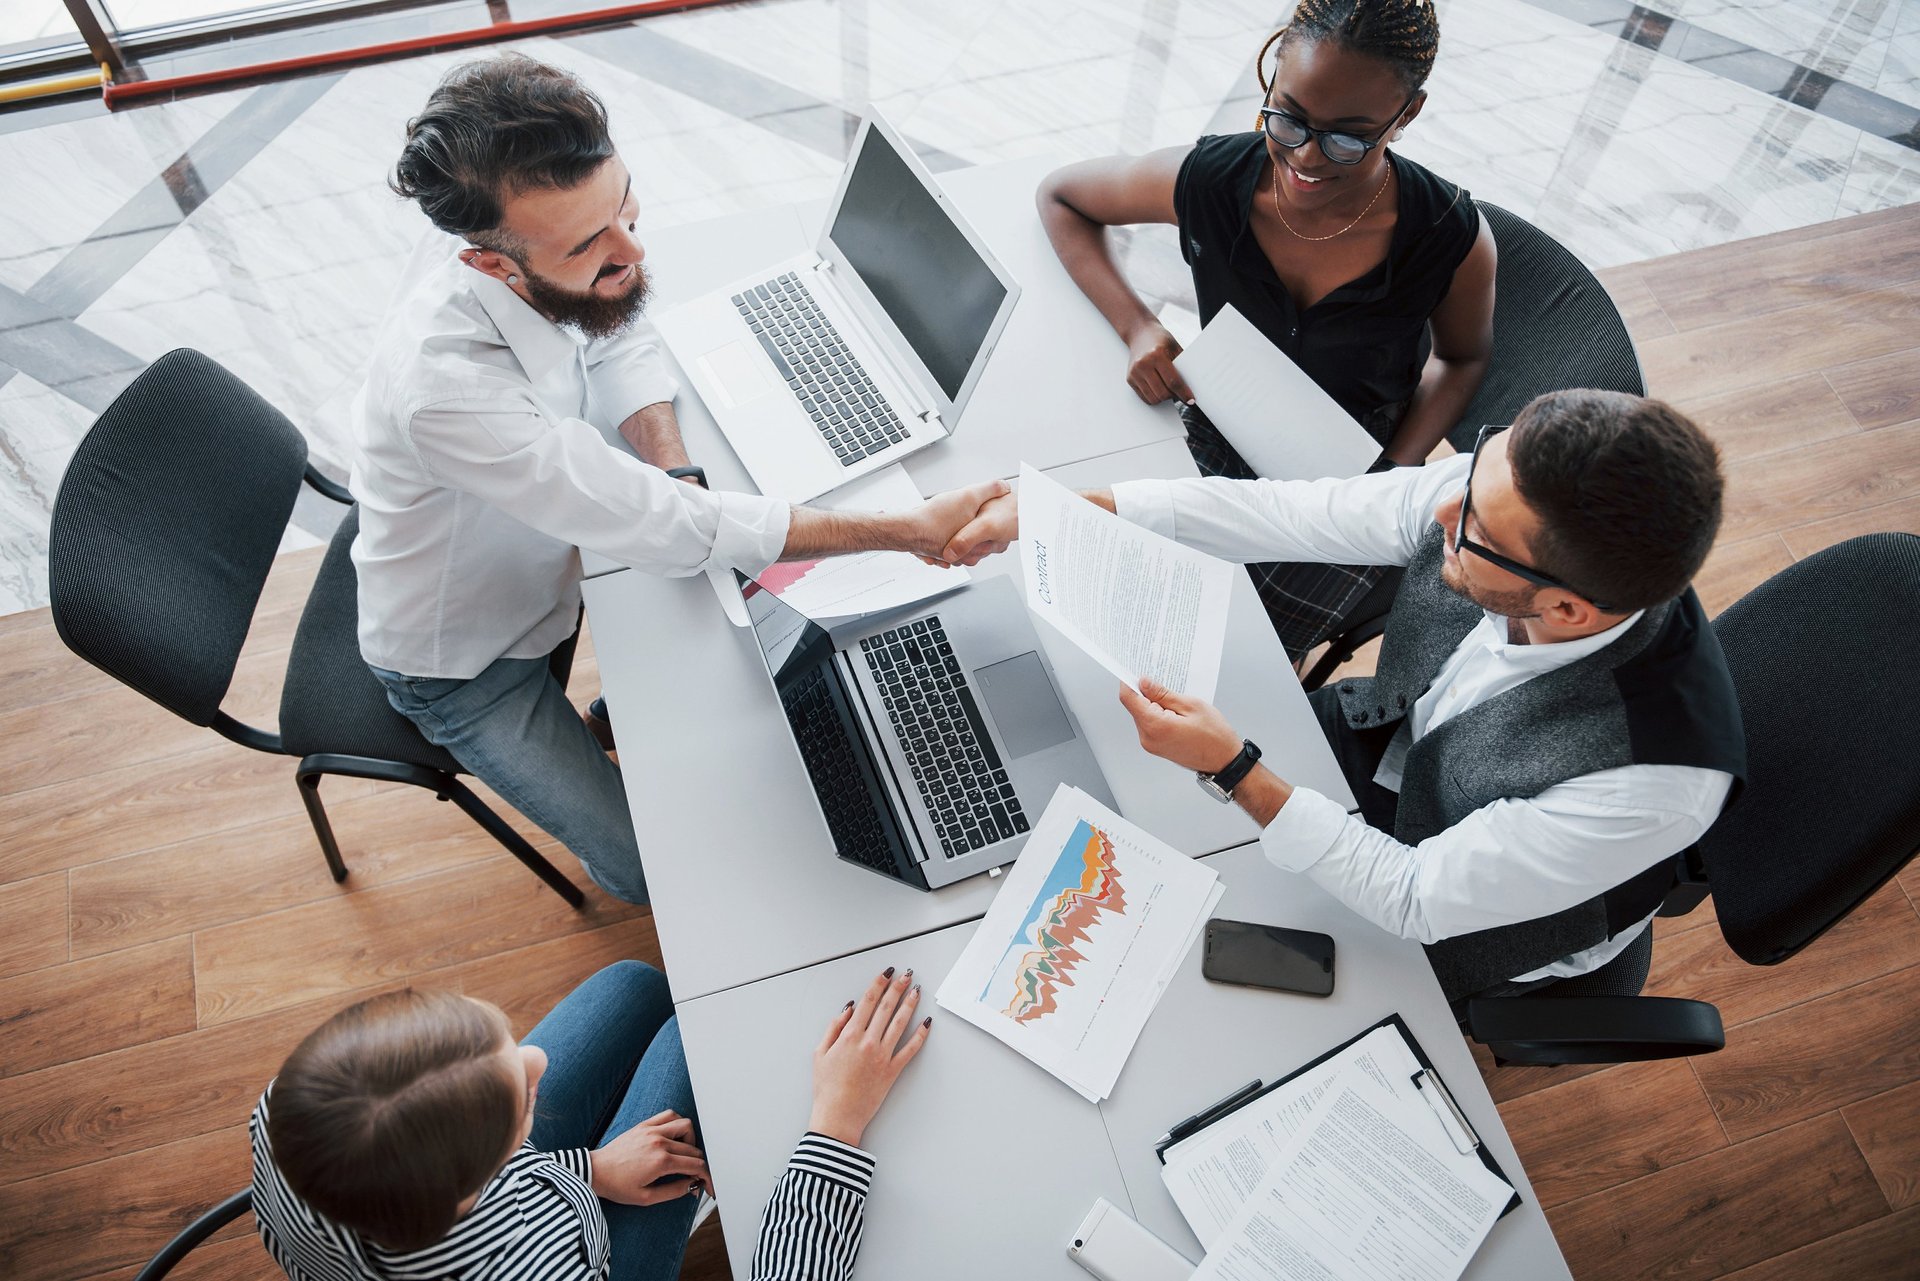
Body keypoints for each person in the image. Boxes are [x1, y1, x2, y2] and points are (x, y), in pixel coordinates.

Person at [353, 54, 1005, 906]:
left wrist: (674, 464)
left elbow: (615, 325)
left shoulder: (523, 235)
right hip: (466, 662)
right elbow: (667, 528)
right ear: (491, 266)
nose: (631, 245)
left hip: (555, 572)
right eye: (589, 243)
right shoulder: (446, 394)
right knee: (646, 873)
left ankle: (605, 720)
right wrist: (905, 530)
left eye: (623, 202)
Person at [944, 390, 1746, 1000]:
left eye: (1474, 528)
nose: (1440, 508)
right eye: (1472, 469)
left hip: (1475, 920)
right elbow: (1293, 514)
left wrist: (1236, 770)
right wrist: (1075, 513)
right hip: (1403, 746)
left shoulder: (1653, 786)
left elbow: (1414, 897)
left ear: (1567, 609)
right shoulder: (1494, 505)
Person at [1036, 0, 1495, 663]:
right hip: (1219, 421)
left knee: (1225, 659)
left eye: (1348, 136)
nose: (1306, 158)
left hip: (1349, 472)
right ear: (1273, 75)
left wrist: (1393, 471)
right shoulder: (1213, 181)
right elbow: (1060, 196)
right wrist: (1138, 327)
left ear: (1407, 115)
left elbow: (1463, 358)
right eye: (1289, 118)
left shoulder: (1449, 236)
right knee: (1101, 595)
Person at [251, 960, 929, 1281]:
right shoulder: (538, 1265)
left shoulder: (292, 1104)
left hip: (431, 1235)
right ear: (475, 1191)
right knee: (688, 1044)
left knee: (634, 987)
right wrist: (837, 1121)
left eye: (502, 1040)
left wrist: (586, 1169)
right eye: (521, 1095)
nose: (537, 1055)